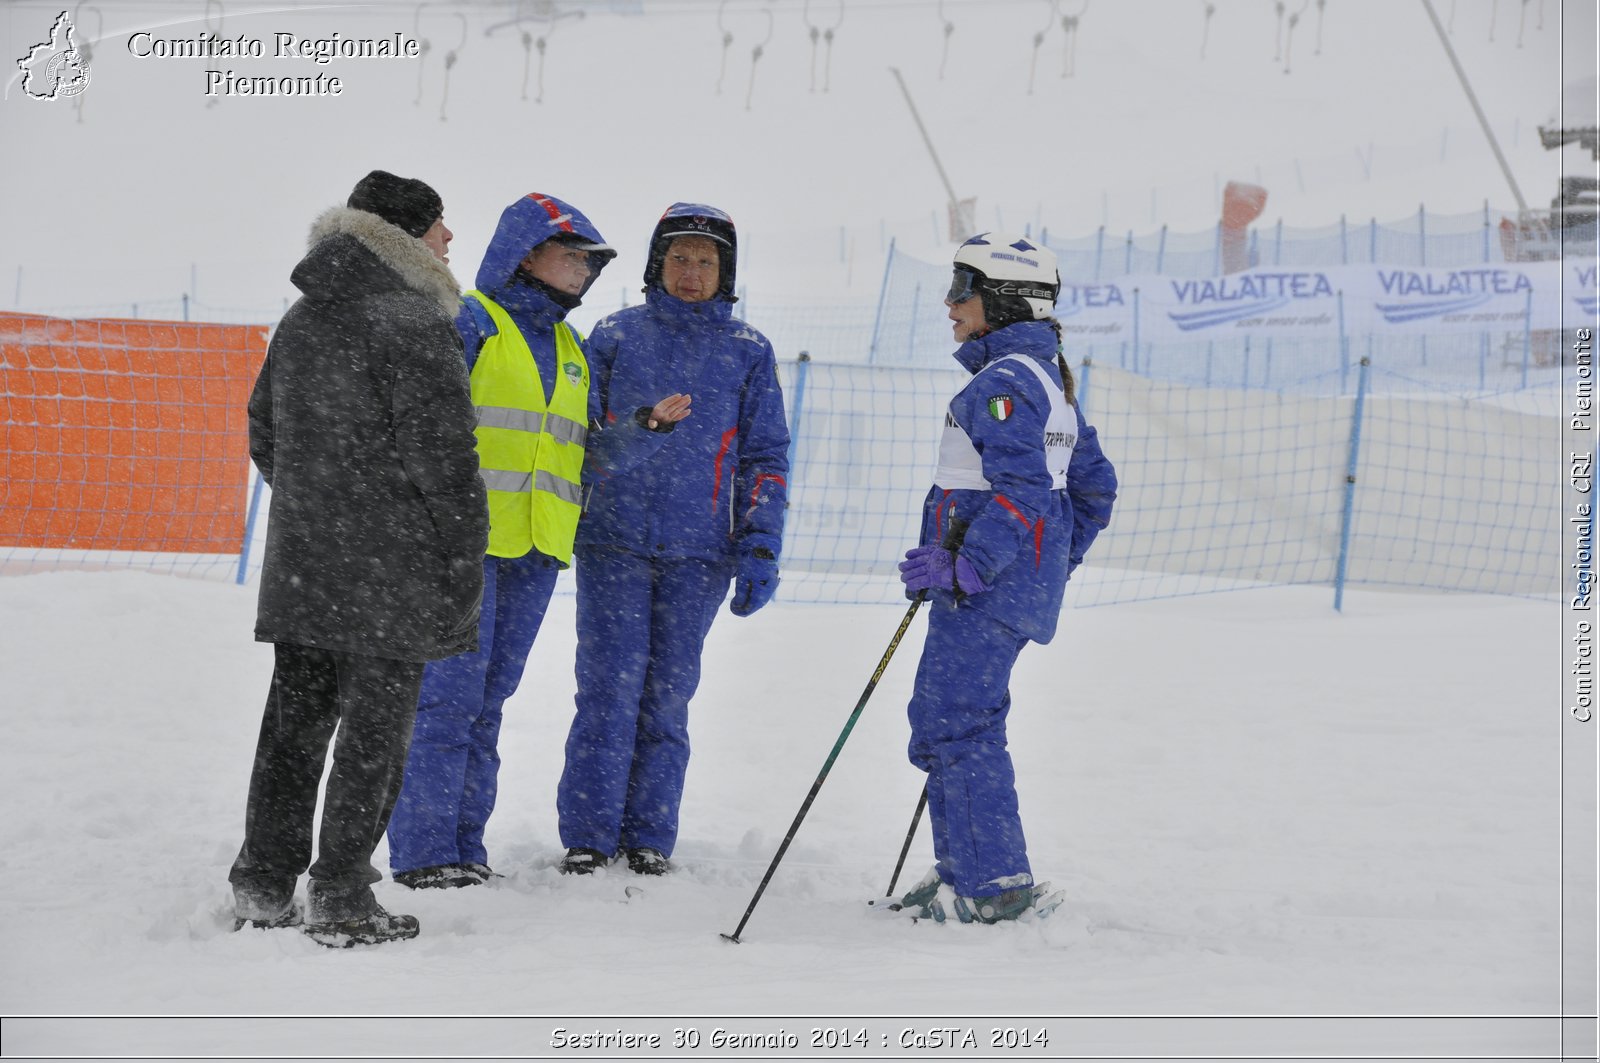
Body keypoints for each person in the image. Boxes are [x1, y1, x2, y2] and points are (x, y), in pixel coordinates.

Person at [231, 170, 488, 947]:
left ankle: (264, 880)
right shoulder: (413, 320)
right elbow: (444, 458)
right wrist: (457, 549)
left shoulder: (303, 317)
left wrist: (323, 508)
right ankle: (342, 892)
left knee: (294, 725)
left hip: (309, 564)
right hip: (391, 571)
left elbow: (263, 432)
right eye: (441, 225)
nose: (450, 240)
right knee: (375, 735)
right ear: (405, 235)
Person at [384, 192, 660, 889]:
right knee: (445, 702)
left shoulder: (572, 348)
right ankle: (421, 853)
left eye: (592, 262)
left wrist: (642, 431)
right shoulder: (472, 321)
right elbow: (421, 425)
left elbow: (580, 456)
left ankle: (463, 847)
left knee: (487, 704)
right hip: (460, 547)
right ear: (525, 253)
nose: (584, 270)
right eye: (573, 255)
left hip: (535, 549)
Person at [555, 203, 790, 876]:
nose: (693, 273)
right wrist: (638, 431)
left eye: (707, 261)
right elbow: (586, 450)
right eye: (681, 258)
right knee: (607, 688)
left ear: (726, 272)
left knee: (667, 694)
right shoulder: (614, 335)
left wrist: (759, 542)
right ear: (659, 263)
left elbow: (765, 456)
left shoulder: (748, 350)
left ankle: (650, 835)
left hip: (699, 553)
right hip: (614, 543)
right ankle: (589, 834)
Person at [891, 232, 1117, 924]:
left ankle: (992, 884)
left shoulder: (1003, 384)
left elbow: (1022, 490)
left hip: (982, 591)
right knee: (948, 716)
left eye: (963, 289)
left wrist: (972, 565)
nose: (950, 305)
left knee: (956, 721)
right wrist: (1044, 569)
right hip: (1000, 589)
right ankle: (968, 868)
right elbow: (1094, 487)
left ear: (1004, 300)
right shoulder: (1047, 380)